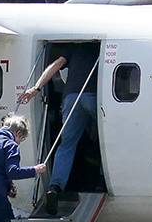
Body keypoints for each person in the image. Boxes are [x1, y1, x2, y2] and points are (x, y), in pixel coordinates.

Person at [19, 43, 99, 193]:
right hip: (94, 96)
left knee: (67, 144)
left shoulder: (76, 47)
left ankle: (55, 186)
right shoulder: (101, 47)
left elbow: (56, 64)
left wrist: (36, 88)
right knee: (109, 136)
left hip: (71, 97)